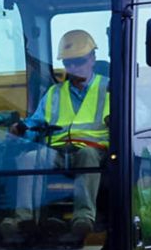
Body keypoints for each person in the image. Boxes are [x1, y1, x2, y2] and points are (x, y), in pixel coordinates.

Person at [38, 29, 109, 238]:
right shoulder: (54, 93)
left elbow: (139, 115)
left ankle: (83, 219)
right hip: (58, 151)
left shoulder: (110, 87)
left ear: (93, 59)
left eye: (79, 61)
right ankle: (25, 219)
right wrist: (20, 127)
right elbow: (36, 119)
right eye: (69, 63)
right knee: (31, 157)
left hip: (94, 151)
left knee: (86, 155)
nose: (74, 67)